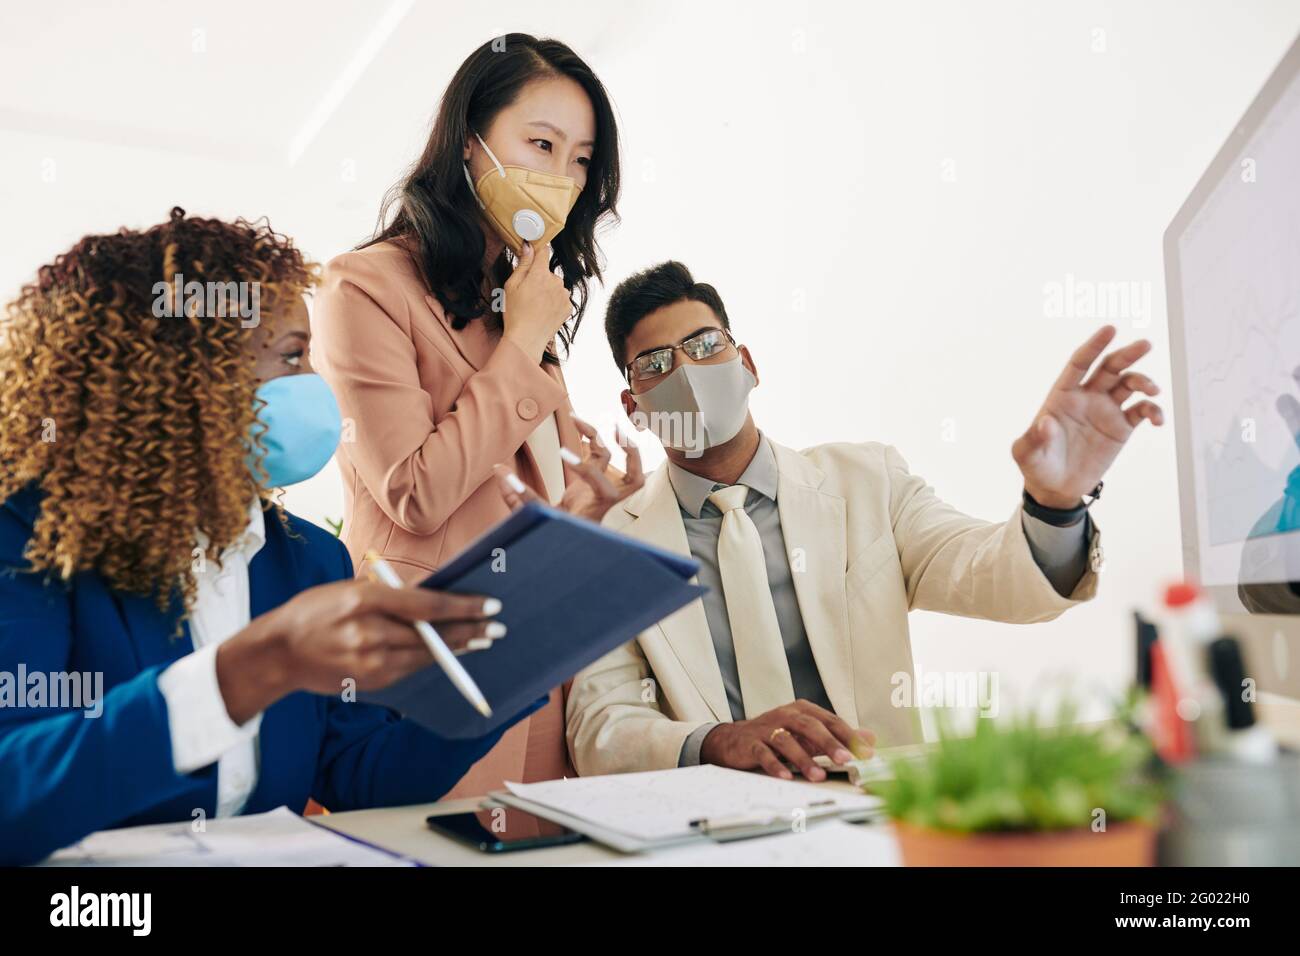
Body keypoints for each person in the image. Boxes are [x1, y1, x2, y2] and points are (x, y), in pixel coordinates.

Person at [0, 209, 539, 866]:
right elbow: (14, 794)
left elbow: (362, 779)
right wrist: (250, 668)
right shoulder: (30, 534)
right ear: (184, 375)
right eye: (292, 356)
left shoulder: (311, 559)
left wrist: (522, 654)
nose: (316, 386)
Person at [562, 260, 1164, 779]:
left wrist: (1053, 504)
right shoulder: (612, 539)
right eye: (654, 364)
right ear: (633, 408)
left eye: (703, 346)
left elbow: (993, 576)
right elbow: (602, 727)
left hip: (877, 819)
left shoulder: (869, 482)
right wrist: (716, 741)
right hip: (711, 838)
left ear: (746, 364)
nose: (686, 374)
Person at [311, 34, 641, 798]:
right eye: (541, 143)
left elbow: (518, 507)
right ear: (469, 144)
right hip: (419, 660)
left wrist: (588, 505)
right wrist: (525, 336)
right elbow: (414, 492)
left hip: (534, 669)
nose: (560, 177)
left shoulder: (524, 298)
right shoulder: (362, 288)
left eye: (581, 159)